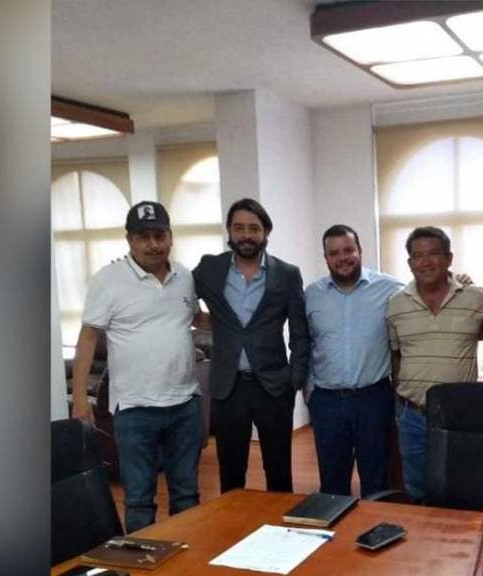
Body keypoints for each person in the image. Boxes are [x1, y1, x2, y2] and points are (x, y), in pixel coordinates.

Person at [71, 201, 203, 533]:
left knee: (187, 495)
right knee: (140, 499)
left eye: (159, 235)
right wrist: (80, 398)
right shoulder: (108, 281)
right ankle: (142, 562)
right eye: (144, 237)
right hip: (134, 409)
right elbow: (87, 339)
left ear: (170, 237)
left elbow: (196, 319)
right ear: (129, 240)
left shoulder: (185, 277)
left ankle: (189, 559)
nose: (153, 244)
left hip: (185, 404)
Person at [192, 198, 309, 493]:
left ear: (266, 232)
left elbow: (300, 332)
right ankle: (235, 521)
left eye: (254, 228)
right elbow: (176, 288)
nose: (246, 235)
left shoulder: (287, 274)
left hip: (273, 386)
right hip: (228, 387)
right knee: (231, 472)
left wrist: (295, 379)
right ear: (229, 231)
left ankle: (279, 523)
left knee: (279, 470)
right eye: (239, 227)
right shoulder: (210, 269)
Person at [386, 226, 483, 503]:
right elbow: (396, 354)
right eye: (418, 256)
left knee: (460, 487)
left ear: (449, 258)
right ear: (410, 263)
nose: (426, 262)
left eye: (434, 254)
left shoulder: (476, 298)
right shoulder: (396, 304)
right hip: (411, 414)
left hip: (459, 415)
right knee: (416, 488)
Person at [304, 225, 402, 497]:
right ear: (326, 258)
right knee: (332, 484)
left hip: (373, 399)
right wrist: (308, 387)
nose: (342, 258)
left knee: (376, 480)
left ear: (360, 251)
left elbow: (425, 290)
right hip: (327, 402)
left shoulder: (390, 288)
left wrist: (456, 279)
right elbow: (306, 341)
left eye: (348, 250)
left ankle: (374, 525)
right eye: (334, 253)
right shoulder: (312, 294)